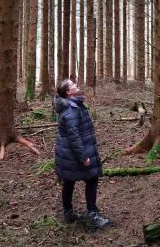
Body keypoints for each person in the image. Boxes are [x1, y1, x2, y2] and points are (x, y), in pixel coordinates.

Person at [54, 78, 110, 229]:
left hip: (67, 153)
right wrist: (83, 156)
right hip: (74, 153)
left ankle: (68, 212)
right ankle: (92, 215)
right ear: (68, 92)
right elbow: (74, 136)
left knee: (69, 181)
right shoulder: (71, 109)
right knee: (91, 180)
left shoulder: (72, 105)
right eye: (73, 85)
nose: (76, 85)